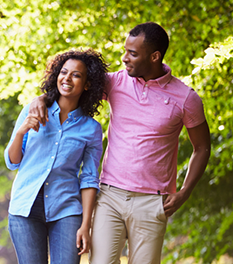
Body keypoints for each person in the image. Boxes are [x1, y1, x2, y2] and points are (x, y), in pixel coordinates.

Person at [29, 22, 211, 264]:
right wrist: (41, 98)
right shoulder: (115, 82)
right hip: (109, 196)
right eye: (125, 50)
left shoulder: (185, 98)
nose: (124, 58)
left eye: (133, 54)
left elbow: (203, 148)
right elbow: (71, 85)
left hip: (152, 201)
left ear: (155, 57)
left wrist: (185, 191)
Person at [4, 49, 109, 264]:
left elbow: (89, 178)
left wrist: (85, 225)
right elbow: (12, 161)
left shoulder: (91, 129)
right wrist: (21, 131)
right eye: (64, 72)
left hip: (66, 209)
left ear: (87, 84)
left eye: (76, 75)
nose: (67, 78)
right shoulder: (32, 110)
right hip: (25, 207)